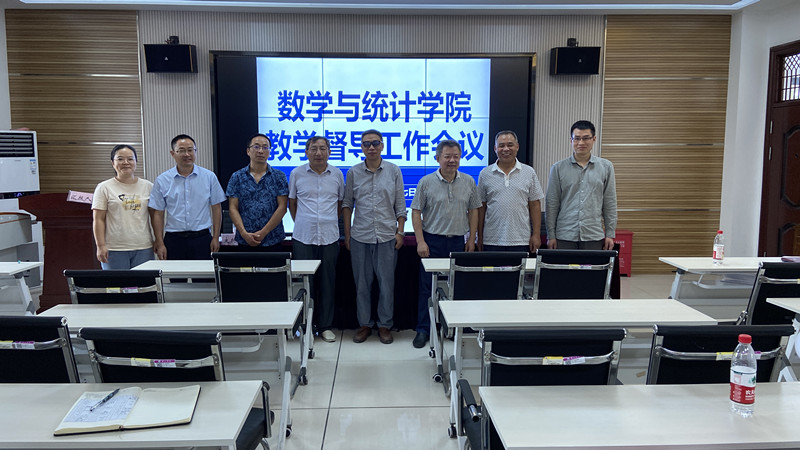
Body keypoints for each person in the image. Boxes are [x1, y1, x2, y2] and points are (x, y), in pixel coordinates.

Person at [411, 140, 481, 348]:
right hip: (432, 241)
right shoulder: (426, 182)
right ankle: (423, 329)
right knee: (427, 288)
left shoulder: (468, 181)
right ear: (437, 158)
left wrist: (472, 239)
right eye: (447, 156)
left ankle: (453, 328)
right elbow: (416, 212)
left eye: (456, 156)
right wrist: (420, 241)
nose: (452, 160)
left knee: (457, 288)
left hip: (458, 242)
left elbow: (474, 211)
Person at [342, 129, 407, 345]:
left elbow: (400, 204)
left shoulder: (394, 170)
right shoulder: (353, 172)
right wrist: (348, 235)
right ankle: (364, 324)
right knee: (362, 284)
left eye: (375, 143)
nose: (371, 147)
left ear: (382, 146)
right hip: (360, 236)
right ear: (361, 147)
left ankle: (385, 325)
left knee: (386, 284)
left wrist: (400, 231)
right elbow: (347, 205)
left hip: (387, 236)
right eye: (366, 144)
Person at [289, 136, 344, 343]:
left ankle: (325, 326)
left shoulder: (337, 174)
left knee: (328, 282)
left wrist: (326, 221)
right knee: (306, 282)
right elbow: (292, 203)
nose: (318, 153)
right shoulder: (296, 173)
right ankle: (306, 325)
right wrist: (305, 222)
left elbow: (340, 204)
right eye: (314, 149)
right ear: (306, 152)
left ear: (329, 151)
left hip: (329, 236)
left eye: (322, 148)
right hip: (303, 236)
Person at [149, 134, 226, 260]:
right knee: (175, 273)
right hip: (174, 240)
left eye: (190, 150)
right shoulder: (162, 180)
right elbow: (158, 213)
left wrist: (216, 237)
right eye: (181, 150)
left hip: (202, 239)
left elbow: (217, 208)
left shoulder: (209, 177)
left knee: (203, 273)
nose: (187, 154)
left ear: (195, 152)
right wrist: (160, 242)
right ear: (173, 153)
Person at [546, 120, 617, 250]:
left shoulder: (606, 167)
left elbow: (610, 203)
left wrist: (610, 234)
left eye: (586, 138)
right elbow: (552, 203)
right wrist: (551, 235)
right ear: (571, 140)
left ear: (594, 139)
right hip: (564, 236)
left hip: (593, 235)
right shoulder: (558, 168)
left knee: (592, 265)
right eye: (577, 138)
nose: (581, 143)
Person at [477, 130, 545, 253]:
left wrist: (536, 235)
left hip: (521, 240)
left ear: (517, 147)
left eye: (510, 145)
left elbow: (535, 205)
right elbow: (481, 207)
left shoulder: (529, 172)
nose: (506, 149)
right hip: (491, 240)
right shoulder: (485, 174)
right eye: (501, 146)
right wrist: (480, 236)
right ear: (495, 148)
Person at [91, 145, 154, 270]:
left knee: (144, 282)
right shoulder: (104, 187)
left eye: (130, 159)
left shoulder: (148, 186)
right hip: (114, 248)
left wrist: (158, 241)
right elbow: (98, 219)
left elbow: (155, 216)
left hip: (143, 247)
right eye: (120, 159)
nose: (126, 162)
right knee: (117, 282)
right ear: (112, 163)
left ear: (136, 162)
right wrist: (100, 245)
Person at [226, 133, 288, 251]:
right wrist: (244, 233)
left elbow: (282, 207)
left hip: (273, 238)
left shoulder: (279, 176)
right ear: (248, 151)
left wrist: (263, 232)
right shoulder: (237, 177)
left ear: (269, 151)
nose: (260, 151)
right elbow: (233, 208)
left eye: (265, 147)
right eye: (256, 146)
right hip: (245, 239)